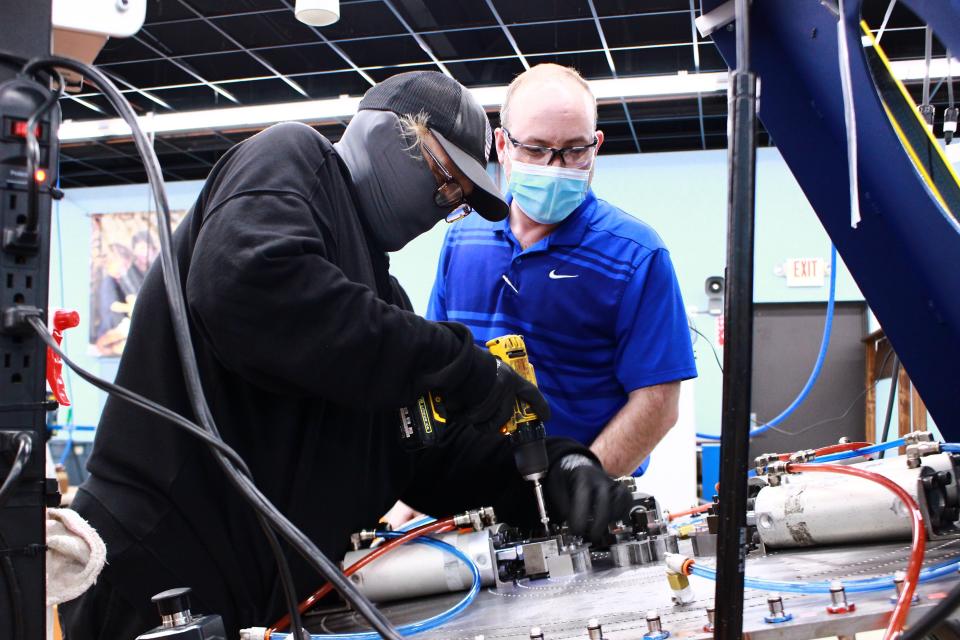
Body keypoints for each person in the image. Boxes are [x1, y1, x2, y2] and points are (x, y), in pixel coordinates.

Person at [60, 71, 631, 640]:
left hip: (260, 608)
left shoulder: (383, 305)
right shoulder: (292, 158)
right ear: (387, 133)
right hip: (152, 583)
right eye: (445, 179)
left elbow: (428, 454)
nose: (444, 204)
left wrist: (557, 470)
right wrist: (457, 362)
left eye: (457, 198)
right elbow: (247, 288)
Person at [427, 64, 697, 478]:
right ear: (502, 145)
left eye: (574, 149)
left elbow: (658, 402)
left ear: (597, 145)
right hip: (472, 492)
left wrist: (579, 479)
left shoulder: (636, 256)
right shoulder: (463, 236)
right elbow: (439, 362)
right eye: (535, 149)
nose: (555, 166)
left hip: (580, 502)